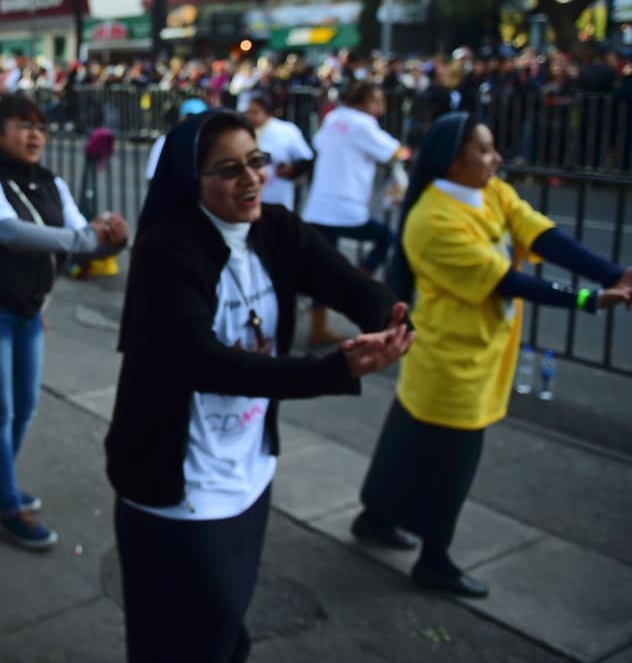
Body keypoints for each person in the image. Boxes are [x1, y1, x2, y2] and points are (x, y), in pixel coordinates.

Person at [105, 109, 414, 663]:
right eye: (228, 169)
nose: (250, 179)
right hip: (179, 482)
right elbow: (206, 364)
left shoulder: (276, 228)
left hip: (249, 469)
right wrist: (334, 369)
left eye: (256, 161)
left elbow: (347, 282)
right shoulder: (167, 251)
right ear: (191, 180)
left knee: (225, 628)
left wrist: (386, 317)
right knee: (181, 641)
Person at [352, 113, 632, 598]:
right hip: (452, 362)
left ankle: (375, 517)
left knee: (409, 440)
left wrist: (613, 275)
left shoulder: (490, 191)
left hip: (477, 350)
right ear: (453, 161)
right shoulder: (433, 220)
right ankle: (434, 560)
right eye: (485, 149)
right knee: (452, 463)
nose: (496, 158)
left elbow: (542, 235)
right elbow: (505, 281)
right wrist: (589, 300)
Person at [0, 94, 128, 550]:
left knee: (26, 406)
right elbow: (6, 232)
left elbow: (83, 239)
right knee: (0, 411)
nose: (35, 135)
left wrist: (110, 238)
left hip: (29, 312)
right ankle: (9, 506)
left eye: (41, 127)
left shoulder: (50, 182)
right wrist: (83, 238)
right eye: (24, 125)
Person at [301, 81, 407, 345]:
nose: (381, 108)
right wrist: (408, 152)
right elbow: (394, 151)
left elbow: (319, 143)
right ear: (365, 101)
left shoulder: (333, 117)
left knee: (322, 270)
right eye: (377, 101)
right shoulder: (363, 124)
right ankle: (358, 278)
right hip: (346, 206)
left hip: (320, 205)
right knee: (386, 238)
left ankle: (318, 327)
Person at [245, 93, 313, 211]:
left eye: (255, 112)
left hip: (278, 193)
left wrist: (292, 169)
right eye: (248, 112)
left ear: (267, 112)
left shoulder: (286, 130)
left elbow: (306, 158)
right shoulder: (243, 132)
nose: (250, 116)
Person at [145, 97, 207, 181]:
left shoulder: (209, 143)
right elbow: (152, 176)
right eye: (189, 117)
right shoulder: (165, 141)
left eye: (196, 118)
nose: (192, 122)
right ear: (181, 118)